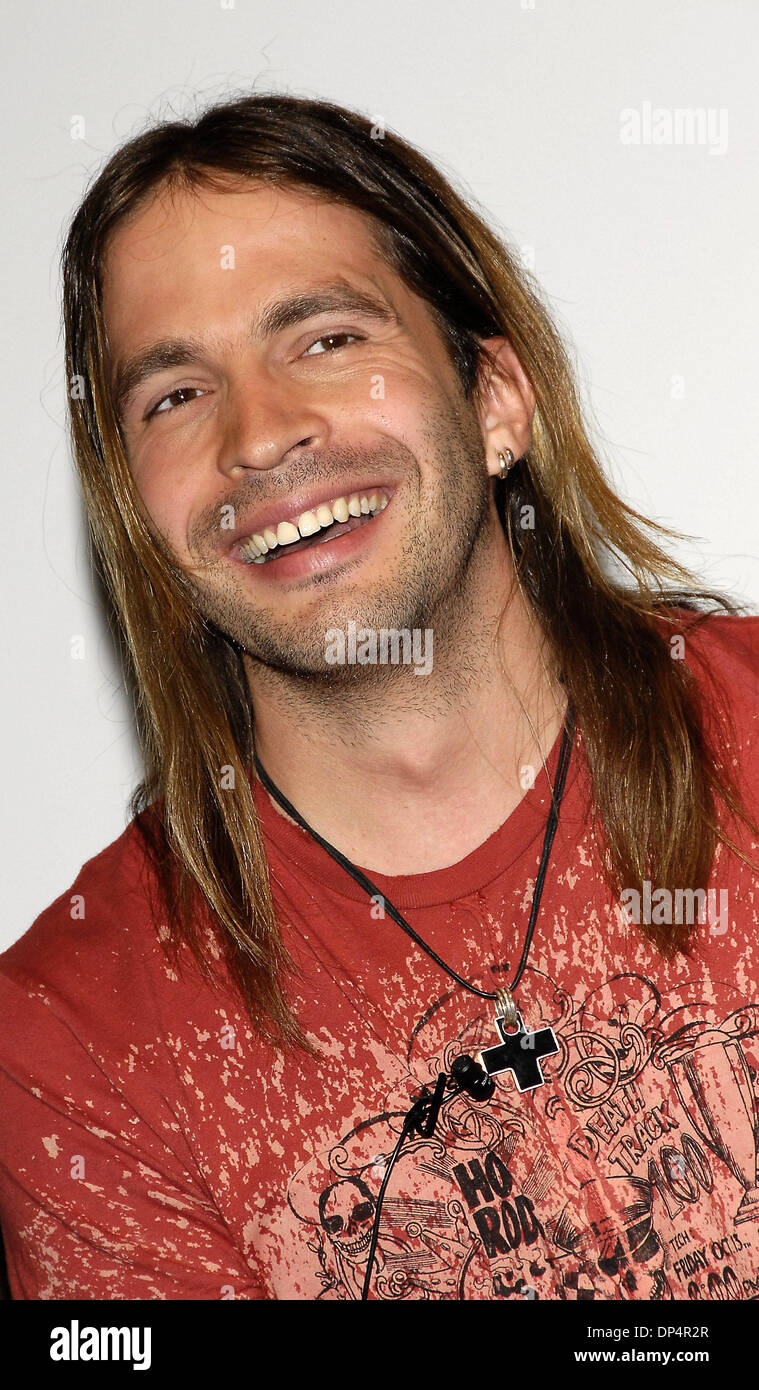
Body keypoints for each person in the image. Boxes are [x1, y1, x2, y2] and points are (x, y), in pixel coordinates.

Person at [1, 92, 759, 1303]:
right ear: (138, 510)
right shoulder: (74, 1048)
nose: (261, 434)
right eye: (176, 396)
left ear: (496, 399)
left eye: (325, 339)